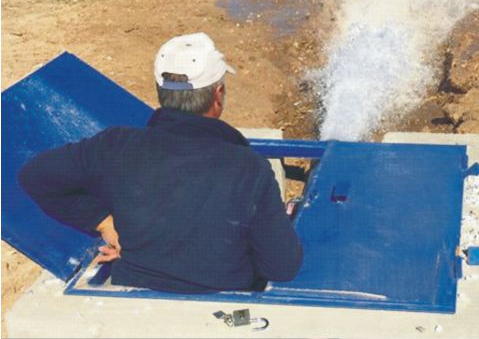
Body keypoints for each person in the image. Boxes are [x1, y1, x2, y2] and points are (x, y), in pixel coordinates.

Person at [19, 32, 303, 293]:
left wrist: (103, 222)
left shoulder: (115, 145)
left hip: (134, 293)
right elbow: (281, 267)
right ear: (217, 96)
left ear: (161, 92)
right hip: (222, 308)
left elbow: (34, 175)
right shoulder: (248, 167)